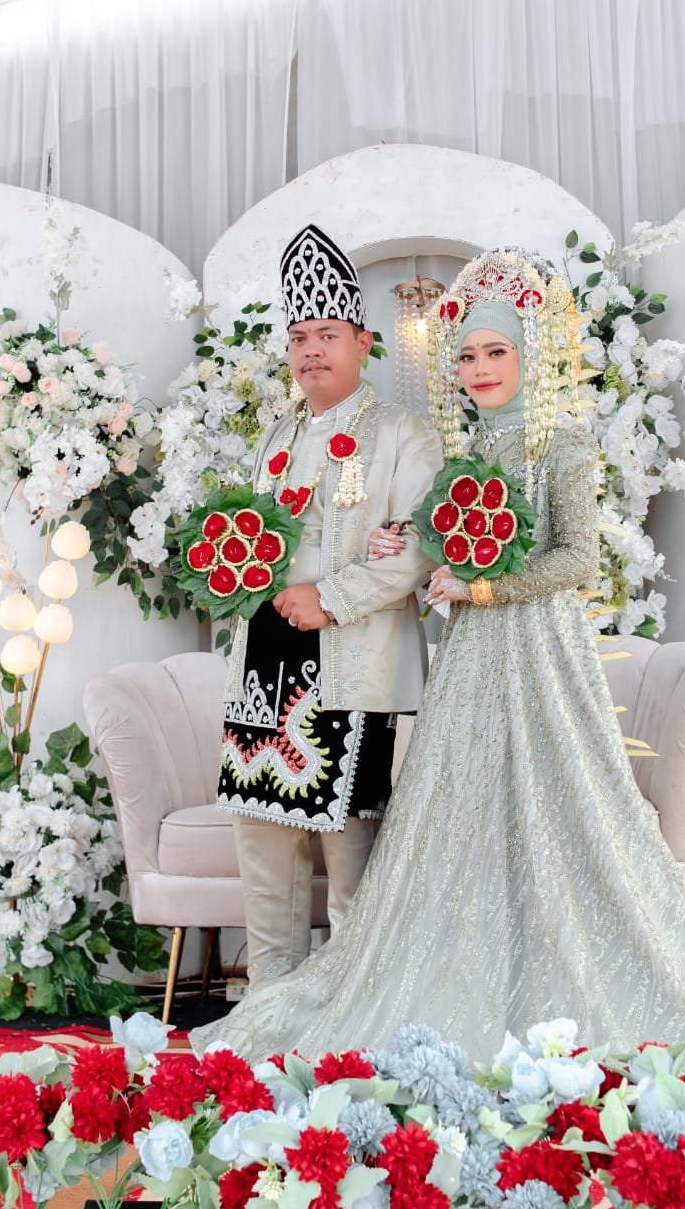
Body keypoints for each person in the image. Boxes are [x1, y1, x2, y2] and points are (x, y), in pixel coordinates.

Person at [193, 248, 685, 1061]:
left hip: (513, 653)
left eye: (496, 351)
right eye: (467, 354)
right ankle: (314, 999)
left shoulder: (539, 442)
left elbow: (575, 560)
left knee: (522, 814)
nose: (480, 368)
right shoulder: (436, 445)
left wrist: (468, 585)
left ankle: (496, 988)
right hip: (419, 657)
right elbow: (433, 533)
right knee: (413, 823)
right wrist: (411, 545)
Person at [217, 223, 442, 988]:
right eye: (299, 337)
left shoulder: (403, 433)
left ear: (362, 342)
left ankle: (351, 1016)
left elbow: (418, 546)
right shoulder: (275, 435)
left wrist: (332, 596)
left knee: (350, 853)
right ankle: (269, 1007)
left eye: (327, 335)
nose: (311, 350)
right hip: (266, 661)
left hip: (351, 661)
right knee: (264, 843)